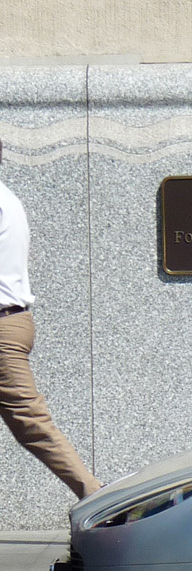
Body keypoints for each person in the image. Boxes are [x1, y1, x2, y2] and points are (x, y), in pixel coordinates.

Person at [0, 142, 100, 499]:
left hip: (2, 327)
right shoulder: (7, 197)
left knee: (31, 423)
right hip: (12, 321)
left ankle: (97, 496)